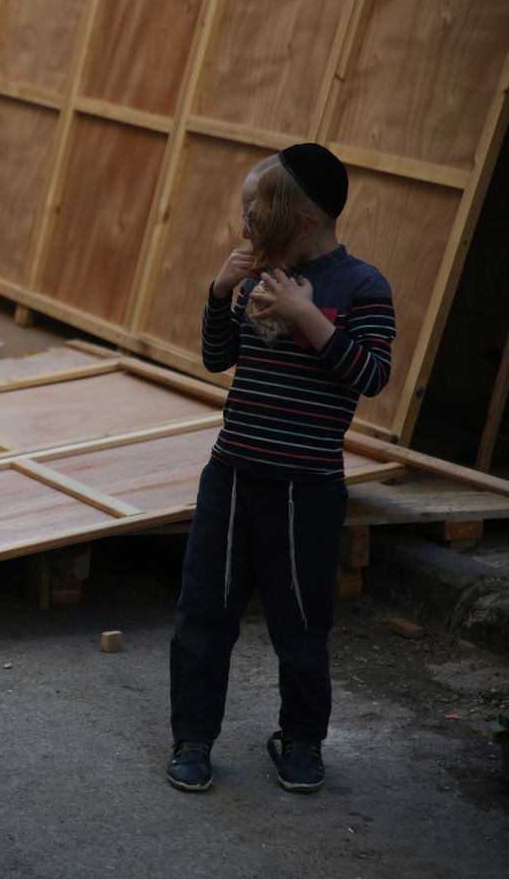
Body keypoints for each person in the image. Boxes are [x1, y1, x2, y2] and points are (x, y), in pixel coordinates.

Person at [165, 143, 396, 793]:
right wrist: (219, 291)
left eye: (255, 208)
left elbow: (372, 374)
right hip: (233, 476)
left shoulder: (362, 286)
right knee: (203, 616)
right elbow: (218, 358)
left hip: (306, 491)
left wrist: (307, 318)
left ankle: (301, 743)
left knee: (301, 625)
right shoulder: (258, 276)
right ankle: (192, 739)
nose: (244, 222)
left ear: (301, 219)